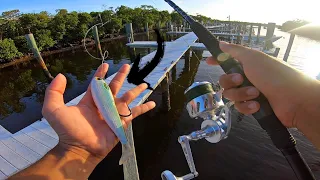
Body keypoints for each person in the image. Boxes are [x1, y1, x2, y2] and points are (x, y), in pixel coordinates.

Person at [11, 42, 320, 179]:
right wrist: (303, 100)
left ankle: (123, 150)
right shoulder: (99, 86)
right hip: (105, 126)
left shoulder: (98, 86)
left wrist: (75, 152)